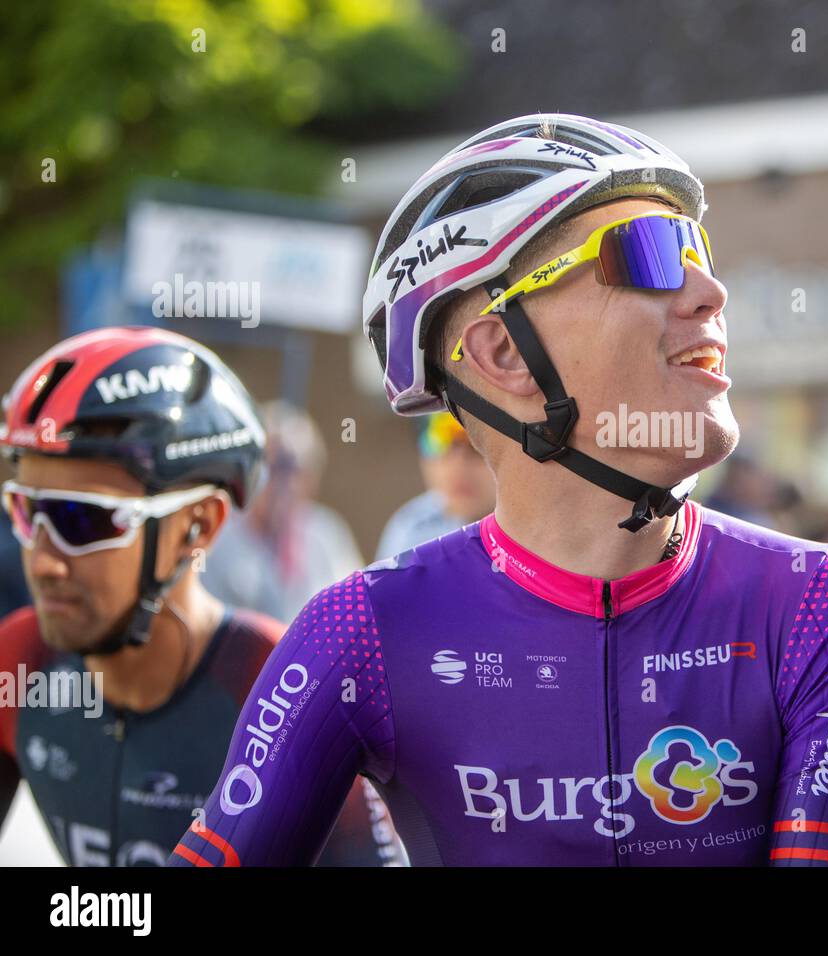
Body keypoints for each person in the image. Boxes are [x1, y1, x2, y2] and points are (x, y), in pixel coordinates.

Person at [171, 113, 828, 867]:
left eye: (700, 250)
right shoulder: (357, 633)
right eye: (653, 255)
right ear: (503, 353)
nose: (711, 291)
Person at [0, 326, 402, 866]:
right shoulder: (20, 659)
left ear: (198, 527)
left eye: (83, 518)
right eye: (28, 512)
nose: (44, 561)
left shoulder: (288, 692)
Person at [202, 401, 364, 623]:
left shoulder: (326, 535)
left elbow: (355, 613)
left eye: (295, 469)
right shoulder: (217, 539)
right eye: (275, 467)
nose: (286, 483)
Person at [374, 411, 495, 559]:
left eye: (474, 448)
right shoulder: (412, 531)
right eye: (438, 444)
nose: (456, 468)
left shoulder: (528, 535)